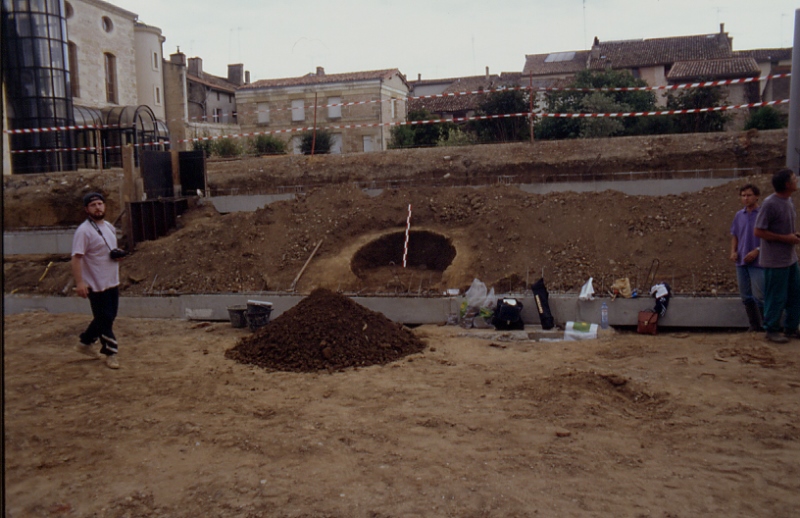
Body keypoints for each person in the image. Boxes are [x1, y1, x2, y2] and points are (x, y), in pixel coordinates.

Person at [71, 192, 123, 369]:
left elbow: (107, 251)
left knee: (108, 317)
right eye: (93, 205)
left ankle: (85, 342)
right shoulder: (83, 231)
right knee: (105, 318)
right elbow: (76, 258)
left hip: (111, 280)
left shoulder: (109, 227)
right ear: (87, 209)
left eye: (100, 204)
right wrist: (80, 282)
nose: (98, 208)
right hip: (95, 283)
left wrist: (117, 256)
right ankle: (111, 353)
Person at [754, 169, 800, 343]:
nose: (797, 180)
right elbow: (758, 231)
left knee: (795, 294)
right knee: (776, 296)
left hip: (790, 259)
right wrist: (786, 238)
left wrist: (793, 235)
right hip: (775, 261)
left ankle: (791, 327)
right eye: (794, 179)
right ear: (787, 184)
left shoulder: (788, 201)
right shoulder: (770, 204)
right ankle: (771, 329)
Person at [730, 184, 764, 331]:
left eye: (749, 195)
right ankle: (754, 325)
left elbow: (769, 238)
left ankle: (767, 325)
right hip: (741, 261)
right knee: (745, 295)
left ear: (756, 196)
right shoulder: (739, 215)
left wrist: (758, 250)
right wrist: (733, 251)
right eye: (743, 195)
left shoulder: (763, 214)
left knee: (760, 295)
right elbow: (735, 235)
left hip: (759, 262)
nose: (746, 198)